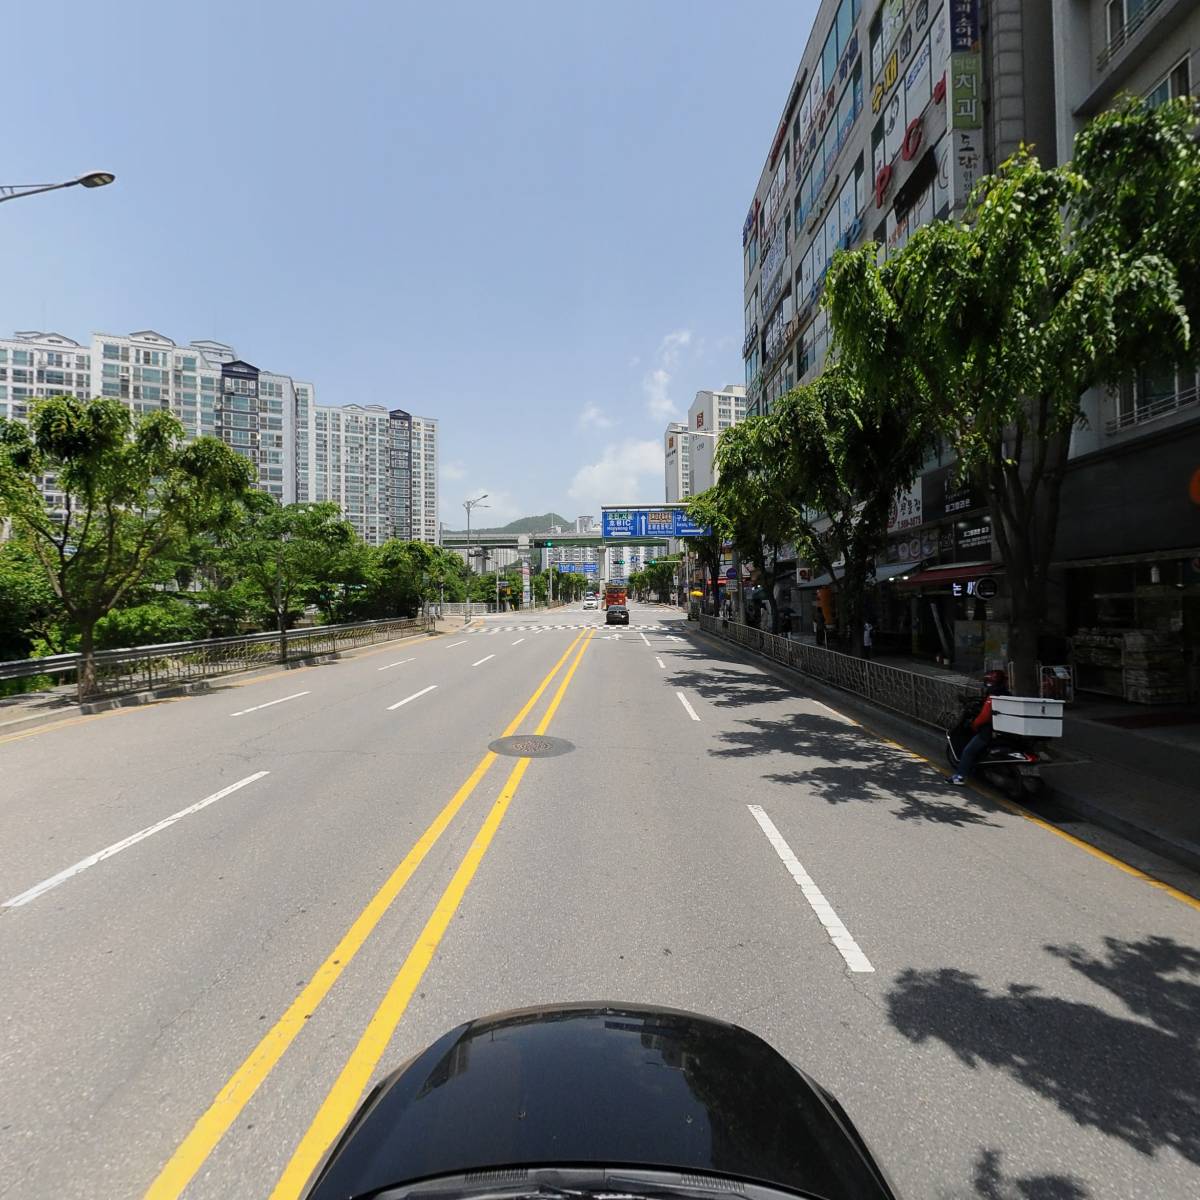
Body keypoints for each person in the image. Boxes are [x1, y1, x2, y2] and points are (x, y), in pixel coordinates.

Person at [950, 669, 1010, 785]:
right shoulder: (1008, 694)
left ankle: (959, 777)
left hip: (990, 731)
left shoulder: (993, 695)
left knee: (968, 751)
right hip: (1005, 731)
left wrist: (975, 724)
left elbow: (985, 716)